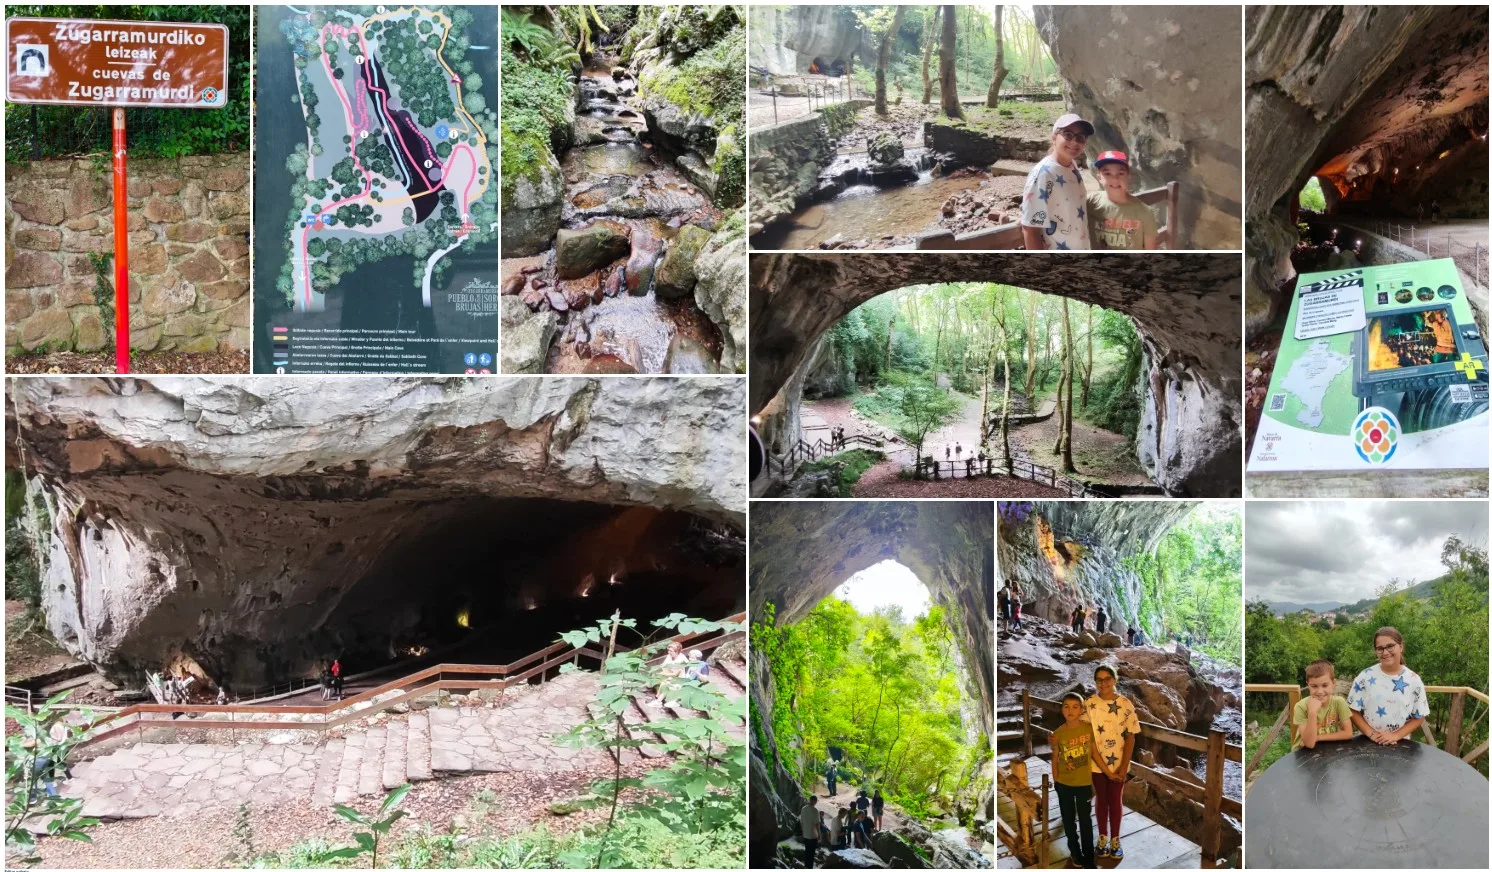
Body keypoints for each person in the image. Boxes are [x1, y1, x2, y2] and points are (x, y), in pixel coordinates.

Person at [1086, 665, 1140, 861]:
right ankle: (1103, 837)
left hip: (1119, 764)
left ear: (1114, 680)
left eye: (1107, 678)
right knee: (1101, 798)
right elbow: (1087, 737)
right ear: (1095, 682)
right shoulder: (1089, 704)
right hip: (1097, 763)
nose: (1103, 683)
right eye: (1099, 680)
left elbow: (1131, 736)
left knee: (1116, 800)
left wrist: (1123, 767)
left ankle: (1115, 839)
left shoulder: (1125, 704)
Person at [1021, 114, 1094, 250]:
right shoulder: (1043, 174)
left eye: (1080, 137)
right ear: (1054, 137)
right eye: (1068, 135)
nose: (1075, 142)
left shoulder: (1072, 164)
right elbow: (1030, 229)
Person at [1347, 626, 1427, 745]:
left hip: (1400, 745)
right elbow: (1352, 710)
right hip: (1367, 743)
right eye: (1380, 648)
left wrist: (1395, 735)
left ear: (1401, 647)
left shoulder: (1414, 681)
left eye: (1390, 646)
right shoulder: (1365, 676)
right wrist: (1372, 734)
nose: (1385, 652)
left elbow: (1419, 717)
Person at [1052, 692, 1097, 868]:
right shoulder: (1058, 734)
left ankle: (1089, 855)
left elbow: (1094, 754)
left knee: (1085, 820)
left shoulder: (1088, 729)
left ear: (1081, 710)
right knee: (1068, 820)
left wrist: (1107, 773)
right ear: (1062, 709)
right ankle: (1075, 853)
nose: (1070, 710)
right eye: (1066, 706)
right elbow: (1055, 758)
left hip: (1084, 783)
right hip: (1064, 783)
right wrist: (1056, 780)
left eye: (1075, 707)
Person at [1085, 151, 1159, 250]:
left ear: (1128, 176)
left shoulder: (1144, 212)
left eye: (1120, 173)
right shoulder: (1090, 201)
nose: (1115, 179)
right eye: (1107, 173)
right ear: (1099, 177)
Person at [1293, 659, 1355, 750]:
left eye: (1325, 685)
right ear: (1308, 685)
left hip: (1327, 749)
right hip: (1302, 753)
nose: (1320, 691)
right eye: (1314, 686)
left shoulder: (1339, 702)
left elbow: (1348, 733)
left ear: (1333, 684)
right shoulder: (1300, 707)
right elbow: (1309, 744)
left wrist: (1318, 738)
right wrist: (1312, 712)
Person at [655, 641, 689, 708]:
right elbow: (664, 666)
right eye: (668, 650)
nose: (668, 652)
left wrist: (663, 674)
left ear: (677, 652)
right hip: (671, 674)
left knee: (666, 683)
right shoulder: (669, 656)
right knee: (663, 680)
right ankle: (657, 699)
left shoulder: (682, 660)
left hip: (680, 678)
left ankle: (658, 700)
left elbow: (675, 674)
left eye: (671, 651)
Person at [799, 796, 820, 868]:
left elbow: (801, 822)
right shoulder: (815, 810)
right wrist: (819, 834)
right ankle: (810, 867)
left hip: (805, 834)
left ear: (809, 800)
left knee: (807, 851)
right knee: (811, 853)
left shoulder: (803, 808)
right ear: (815, 801)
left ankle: (806, 866)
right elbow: (817, 824)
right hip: (813, 835)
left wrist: (802, 832)